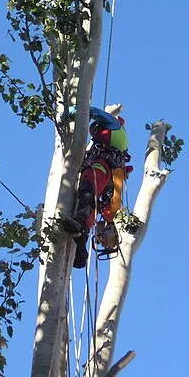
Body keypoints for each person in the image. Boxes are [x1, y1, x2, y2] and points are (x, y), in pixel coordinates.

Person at [60, 104, 132, 268]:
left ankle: (81, 224)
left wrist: (67, 113)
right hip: (109, 174)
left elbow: (89, 110)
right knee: (88, 200)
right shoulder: (114, 141)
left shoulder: (113, 124)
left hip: (101, 167)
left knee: (87, 192)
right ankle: (80, 248)